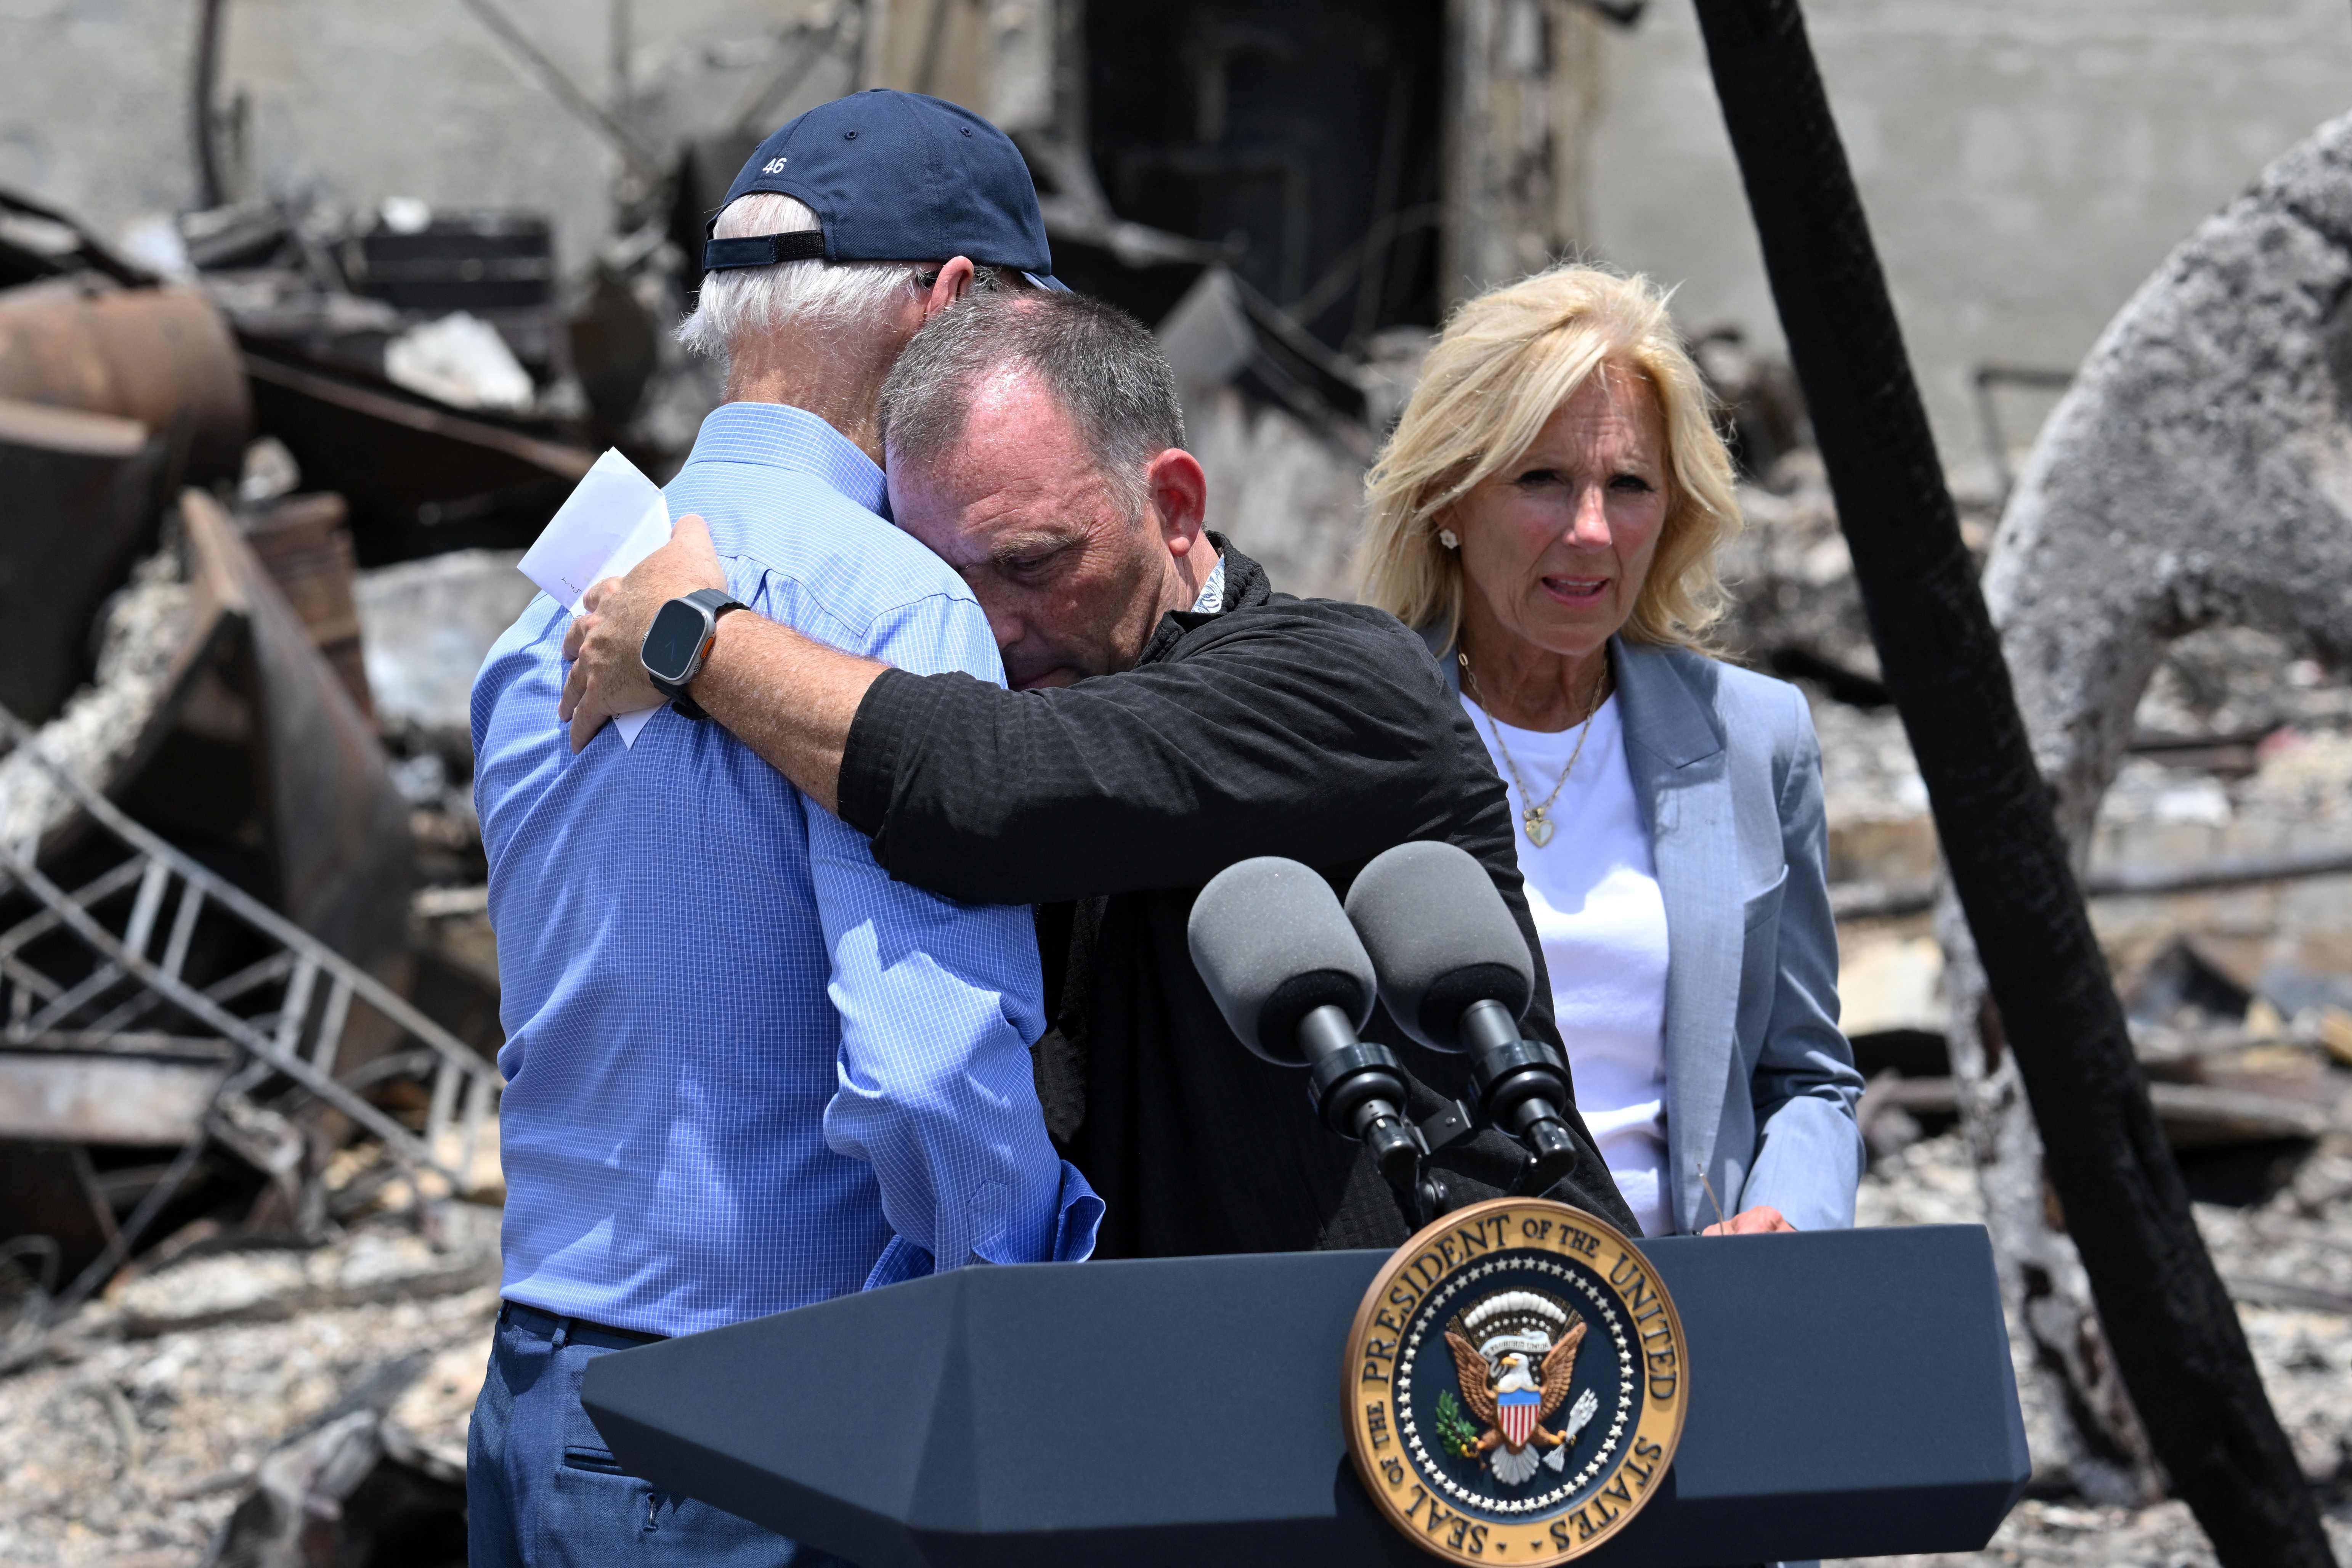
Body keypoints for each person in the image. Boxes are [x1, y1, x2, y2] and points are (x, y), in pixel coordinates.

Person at [560, 289, 1638, 1258]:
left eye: (1035, 562)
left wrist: (700, 639)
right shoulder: (1060, 691)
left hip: (1505, 1385)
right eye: (945, 581)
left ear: (1173, 505)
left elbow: (991, 784)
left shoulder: (1345, 684)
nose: (996, 626)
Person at [467, 92, 1099, 1568]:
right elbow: (931, 1071)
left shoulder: (540, 620)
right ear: (949, 306)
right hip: (772, 1433)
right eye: (1026, 332)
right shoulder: (896, 603)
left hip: (534, 1396)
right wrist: (1028, 1311)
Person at [1359, 263, 1864, 1237]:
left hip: (1689, 1323)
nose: (1590, 531)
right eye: (1541, 479)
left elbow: (1806, 1073)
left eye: (1627, 485)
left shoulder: (1753, 740)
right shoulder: (1352, 734)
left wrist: (1788, 1213)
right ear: (1449, 498)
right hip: (1421, 1322)